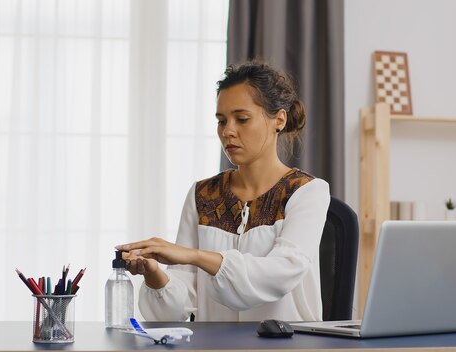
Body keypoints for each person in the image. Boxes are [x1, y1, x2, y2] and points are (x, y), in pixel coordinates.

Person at [115, 61, 330, 322]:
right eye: (221, 121)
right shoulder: (202, 195)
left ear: (279, 119)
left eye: (242, 119)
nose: (227, 131)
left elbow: (281, 272)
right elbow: (176, 310)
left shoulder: (307, 192)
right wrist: (155, 274)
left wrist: (194, 256)